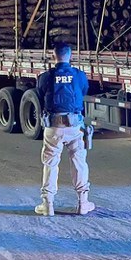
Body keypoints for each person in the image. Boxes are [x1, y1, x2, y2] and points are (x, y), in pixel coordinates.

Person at [34, 42, 95, 217]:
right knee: (79, 163)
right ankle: (83, 204)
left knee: (50, 164)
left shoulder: (46, 76)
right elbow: (83, 90)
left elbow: (40, 93)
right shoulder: (79, 75)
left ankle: (48, 205)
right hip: (74, 126)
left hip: (53, 127)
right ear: (70, 56)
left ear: (53, 56)